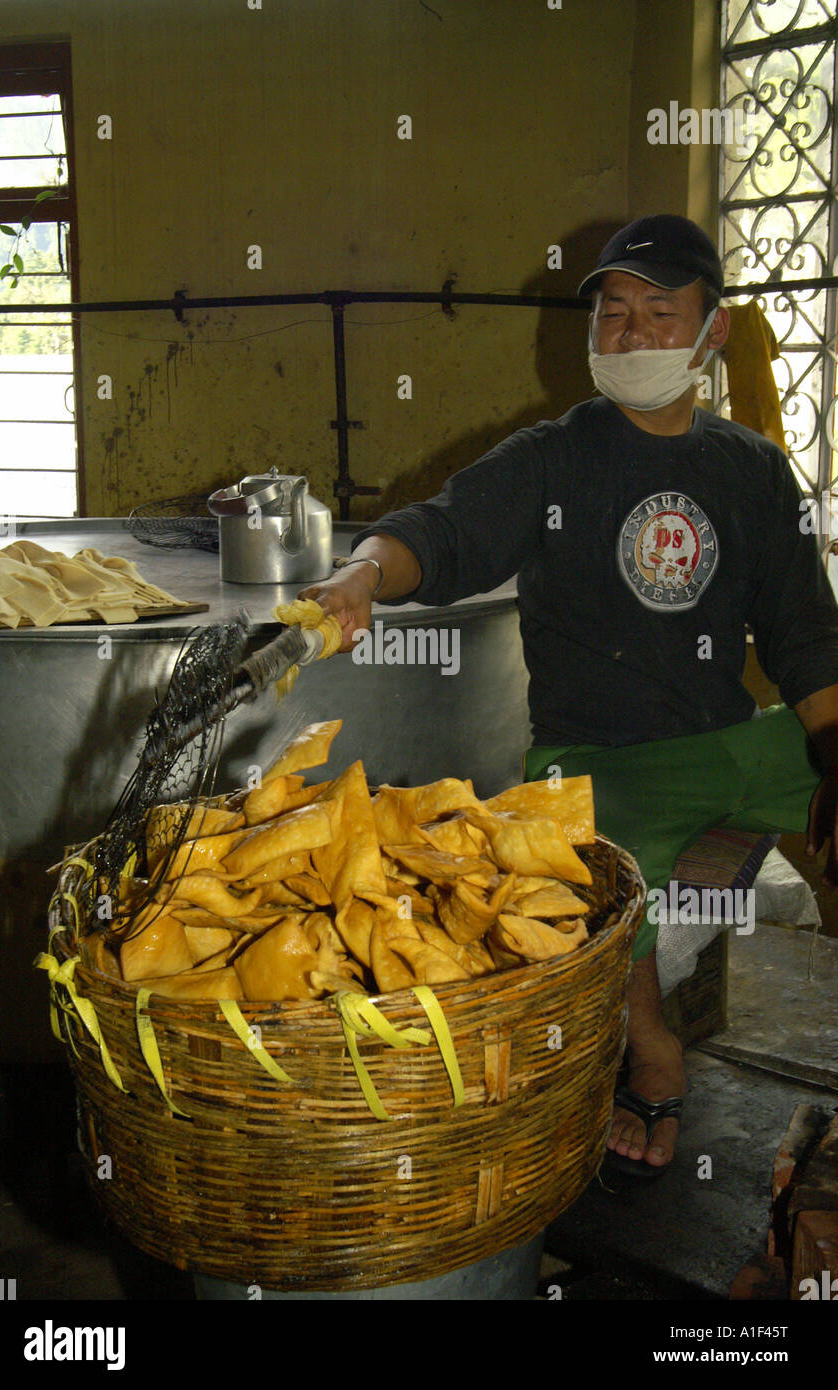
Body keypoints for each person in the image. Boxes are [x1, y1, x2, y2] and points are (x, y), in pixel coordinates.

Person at [298, 214, 838, 1176]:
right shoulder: (553, 458)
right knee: (577, 865)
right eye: (613, 314)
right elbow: (439, 531)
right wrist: (361, 576)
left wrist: (836, 751)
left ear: (712, 334)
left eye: (658, 313)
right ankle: (651, 1050)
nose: (628, 335)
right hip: (597, 759)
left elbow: (805, 630)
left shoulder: (750, 469)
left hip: (728, 740)